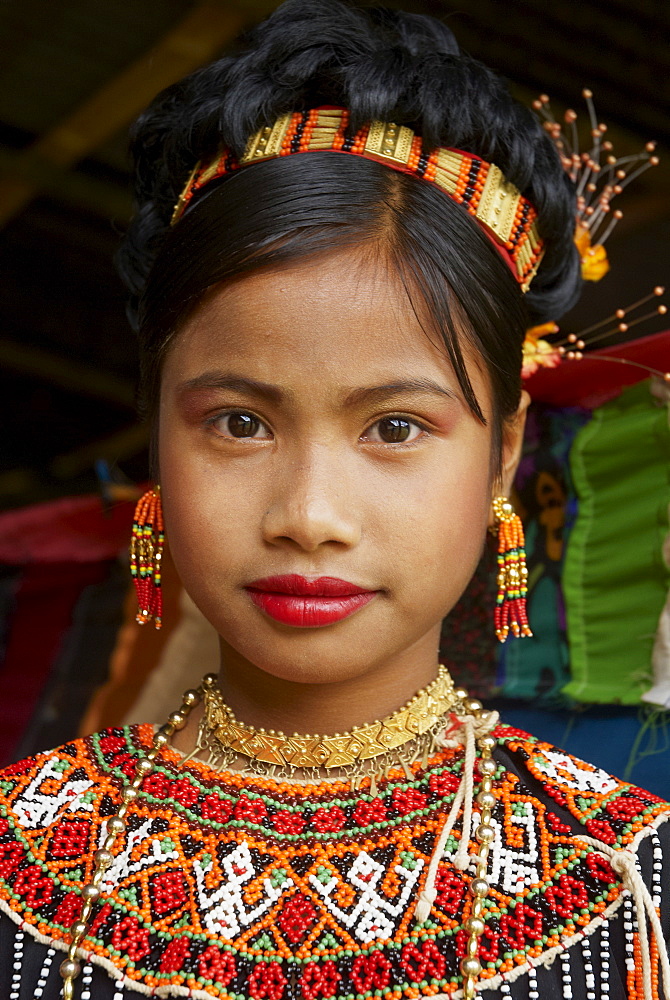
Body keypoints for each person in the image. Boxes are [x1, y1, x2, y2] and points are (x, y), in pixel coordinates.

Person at [0, 2, 668, 998]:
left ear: (503, 453)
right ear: (158, 436)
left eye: (394, 427)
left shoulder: (634, 889)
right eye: (238, 422)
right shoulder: (16, 857)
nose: (308, 513)